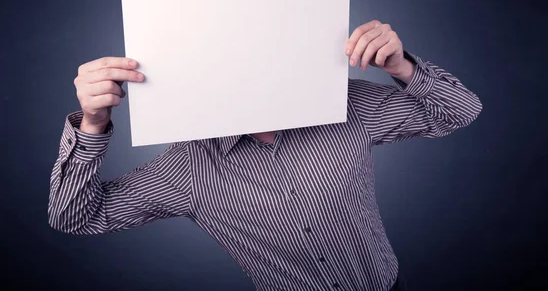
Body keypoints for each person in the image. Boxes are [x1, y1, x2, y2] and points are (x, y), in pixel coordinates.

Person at [48, 20, 482, 291]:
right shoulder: (189, 166)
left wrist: (400, 64)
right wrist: (93, 124)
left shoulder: (345, 106)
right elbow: (75, 217)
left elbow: (460, 111)